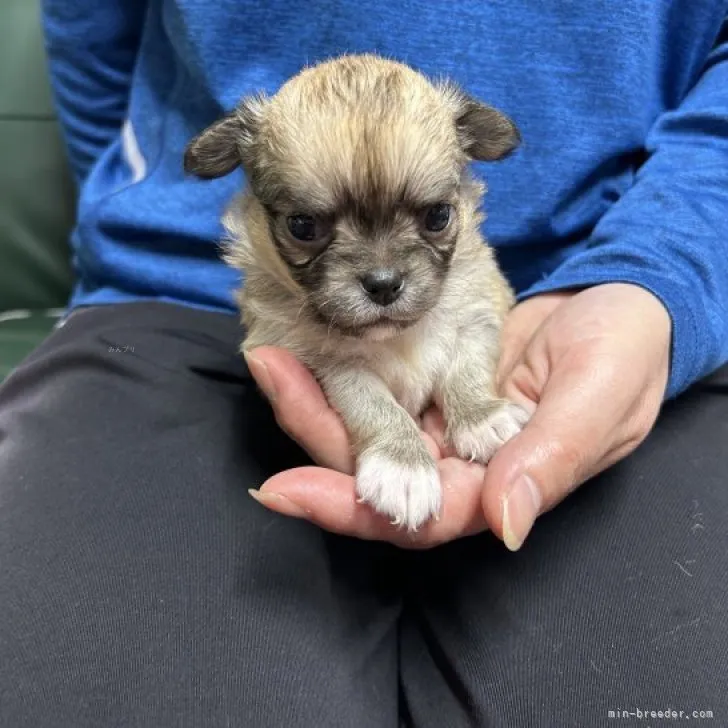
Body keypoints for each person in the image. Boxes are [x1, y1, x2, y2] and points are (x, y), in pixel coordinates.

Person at [1, 1, 727, 725]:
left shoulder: (475, 269)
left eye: (433, 217)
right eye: (309, 227)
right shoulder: (271, 286)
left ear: (465, 191)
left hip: (591, 301)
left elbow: (479, 319)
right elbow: (88, 33)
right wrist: (389, 434)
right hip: (167, 311)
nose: (383, 273)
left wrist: (654, 277)